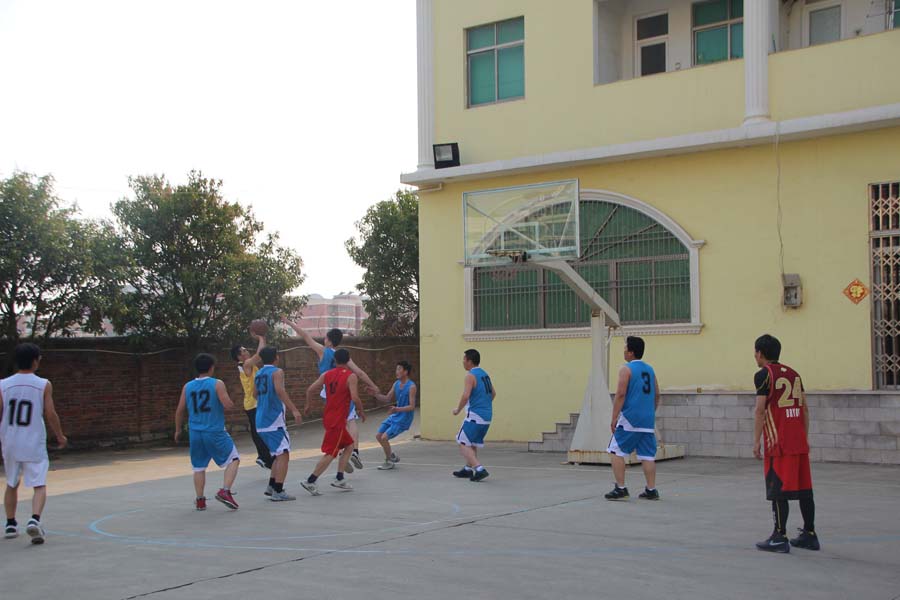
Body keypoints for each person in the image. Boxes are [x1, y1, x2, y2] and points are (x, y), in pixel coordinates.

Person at [752, 334, 820, 553]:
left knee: (778, 489)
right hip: (798, 440)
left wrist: (756, 441)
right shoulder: (795, 374)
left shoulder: (763, 375)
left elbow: (760, 409)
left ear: (760, 353)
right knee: (804, 488)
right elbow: (806, 408)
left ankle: (779, 536)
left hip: (778, 441)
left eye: (755, 352)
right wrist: (804, 436)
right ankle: (810, 533)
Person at [283, 319, 378, 471]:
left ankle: (341, 451)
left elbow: (305, 336)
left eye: (325, 338)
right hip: (344, 391)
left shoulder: (322, 351)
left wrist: (289, 322)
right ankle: (354, 451)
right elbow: (359, 372)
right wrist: (374, 386)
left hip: (328, 392)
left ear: (328, 340)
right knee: (351, 421)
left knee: (335, 423)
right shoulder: (342, 356)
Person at [0, 343, 67, 544]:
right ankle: (34, 520)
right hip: (33, 441)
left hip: (10, 440)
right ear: (35, 360)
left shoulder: (3, 385)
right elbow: (50, 413)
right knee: (38, 483)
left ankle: (11, 524)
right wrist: (60, 435)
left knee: (12, 482)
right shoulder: (43, 384)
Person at [174, 353, 240, 511]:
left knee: (198, 467)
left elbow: (179, 410)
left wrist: (177, 430)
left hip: (195, 432)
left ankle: (200, 500)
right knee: (234, 459)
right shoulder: (217, 384)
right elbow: (227, 405)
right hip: (214, 430)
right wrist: (235, 397)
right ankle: (225, 491)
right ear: (211, 367)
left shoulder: (187, 386)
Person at [300, 348, 366, 495]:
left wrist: (308, 404)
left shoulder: (326, 374)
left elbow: (310, 390)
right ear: (348, 360)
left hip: (329, 417)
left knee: (349, 445)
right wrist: (361, 410)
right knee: (331, 453)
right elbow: (355, 398)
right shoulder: (351, 376)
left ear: (335, 361)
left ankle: (340, 478)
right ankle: (310, 481)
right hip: (337, 421)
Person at [605, 336, 660, 501]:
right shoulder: (650, 370)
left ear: (630, 352)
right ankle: (651, 490)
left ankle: (620, 488)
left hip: (630, 418)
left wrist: (614, 417)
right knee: (647, 455)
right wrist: (651, 411)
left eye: (624, 348)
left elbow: (621, 394)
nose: (623, 351)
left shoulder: (626, 369)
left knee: (615, 450)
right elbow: (657, 394)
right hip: (647, 419)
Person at [254, 346, 303, 501]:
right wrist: (294, 410)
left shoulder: (259, 373)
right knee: (284, 455)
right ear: (276, 357)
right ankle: (278, 491)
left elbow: (254, 394)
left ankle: (271, 486)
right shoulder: (277, 372)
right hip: (273, 420)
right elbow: (280, 391)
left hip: (260, 419)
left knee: (277, 454)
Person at [231, 332, 273, 470]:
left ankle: (265, 456)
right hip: (252, 403)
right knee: (258, 431)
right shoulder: (246, 364)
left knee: (259, 430)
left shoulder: (248, 365)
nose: (246, 351)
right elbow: (260, 355)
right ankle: (264, 457)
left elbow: (261, 354)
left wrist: (263, 338)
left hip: (255, 402)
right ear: (239, 356)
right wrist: (261, 337)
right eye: (243, 351)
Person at [451, 349, 494, 482]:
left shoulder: (470, 375)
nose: (463, 362)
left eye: (464, 359)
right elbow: (493, 394)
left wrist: (458, 409)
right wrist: (484, 405)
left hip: (475, 416)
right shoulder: (485, 374)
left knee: (462, 441)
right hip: (486, 416)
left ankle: (479, 469)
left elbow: (466, 395)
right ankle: (468, 469)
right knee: (472, 443)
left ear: (469, 361)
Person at [374, 361, 417, 470]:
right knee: (379, 436)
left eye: (399, 369)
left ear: (405, 372)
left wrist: (397, 409)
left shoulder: (411, 386)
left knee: (384, 437)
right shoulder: (396, 384)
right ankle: (391, 455)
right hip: (395, 415)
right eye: (396, 369)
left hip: (404, 419)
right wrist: (375, 394)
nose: (396, 372)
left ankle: (388, 461)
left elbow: (412, 406)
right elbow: (387, 398)